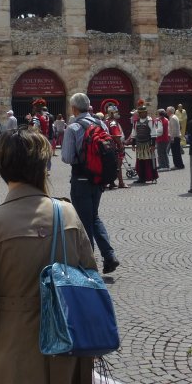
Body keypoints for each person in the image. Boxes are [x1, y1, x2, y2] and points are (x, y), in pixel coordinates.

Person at [0, 127, 96, 384]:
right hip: (66, 343)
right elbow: (90, 275)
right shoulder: (68, 213)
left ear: (1, 167)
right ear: (44, 165)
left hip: (10, 344)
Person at [61, 93, 119, 274]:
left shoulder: (73, 128)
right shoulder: (100, 124)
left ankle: (89, 264)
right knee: (94, 216)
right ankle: (109, 256)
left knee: (84, 221)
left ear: (74, 108)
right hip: (98, 178)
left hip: (81, 179)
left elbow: (67, 157)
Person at [129, 101, 157, 184]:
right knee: (140, 161)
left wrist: (152, 145)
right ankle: (141, 177)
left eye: (143, 112)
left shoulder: (150, 121)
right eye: (140, 113)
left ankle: (151, 176)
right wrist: (133, 144)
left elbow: (153, 133)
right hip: (139, 144)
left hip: (148, 144)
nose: (142, 114)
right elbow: (134, 133)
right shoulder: (136, 122)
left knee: (148, 161)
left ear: (146, 112)